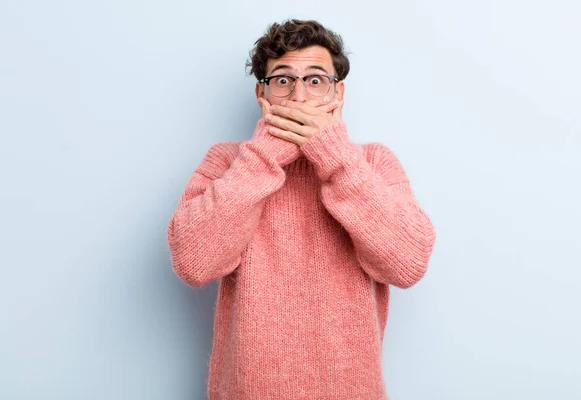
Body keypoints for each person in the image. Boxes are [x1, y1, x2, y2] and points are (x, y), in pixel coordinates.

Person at [166, 19, 436, 399]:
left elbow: (408, 263)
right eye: (282, 80)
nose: (298, 95)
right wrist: (264, 155)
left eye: (314, 80)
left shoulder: (372, 162)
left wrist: (335, 156)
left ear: (337, 93)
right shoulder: (227, 161)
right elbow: (194, 263)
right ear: (262, 93)